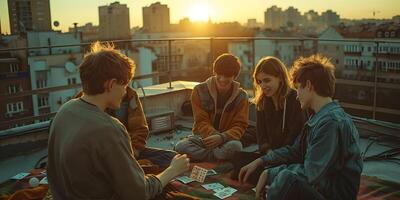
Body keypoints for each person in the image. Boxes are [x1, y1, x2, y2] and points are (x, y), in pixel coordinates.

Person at [47, 42, 190, 200]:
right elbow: (139, 194)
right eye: (125, 85)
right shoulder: (110, 128)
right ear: (111, 84)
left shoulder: (64, 111)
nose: (124, 92)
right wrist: (172, 171)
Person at [239, 55, 363, 200]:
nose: (297, 96)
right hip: (322, 186)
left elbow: (310, 173)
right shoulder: (319, 118)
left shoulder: (330, 123)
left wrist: (272, 174)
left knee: (287, 178)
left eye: (298, 88)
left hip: (333, 194)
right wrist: (263, 163)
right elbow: (295, 151)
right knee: (282, 176)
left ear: (309, 86)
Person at [231, 56, 307, 185]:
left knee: (258, 173)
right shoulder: (263, 101)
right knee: (237, 159)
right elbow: (261, 136)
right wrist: (268, 152)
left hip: (289, 158)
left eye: (267, 80)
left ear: (280, 78)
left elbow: (294, 139)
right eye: (259, 82)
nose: (263, 86)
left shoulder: (295, 100)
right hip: (269, 155)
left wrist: (272, 157)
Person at [75, 86, 177, 169]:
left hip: (129, 150)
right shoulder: (84, 100)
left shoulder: (130, 95)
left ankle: (139, 166)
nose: (125, 89)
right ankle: (139, 167)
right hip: (107, 158)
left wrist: (134, 151)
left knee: (173, 157)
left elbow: (140, 128)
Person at [174, 53, 249, 161]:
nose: (222, 79)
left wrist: (222, 138)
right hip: (203, 138)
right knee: (181, 146)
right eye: (219, 75)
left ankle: (204, 157)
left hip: (226, 140)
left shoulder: (242, 96)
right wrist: (214, 136)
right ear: (214, 72)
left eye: (227, 76)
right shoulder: (199, 90)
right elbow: (201, 121)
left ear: (234, 76)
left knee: (236, 147)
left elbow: (240, 125)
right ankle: (216, 157)